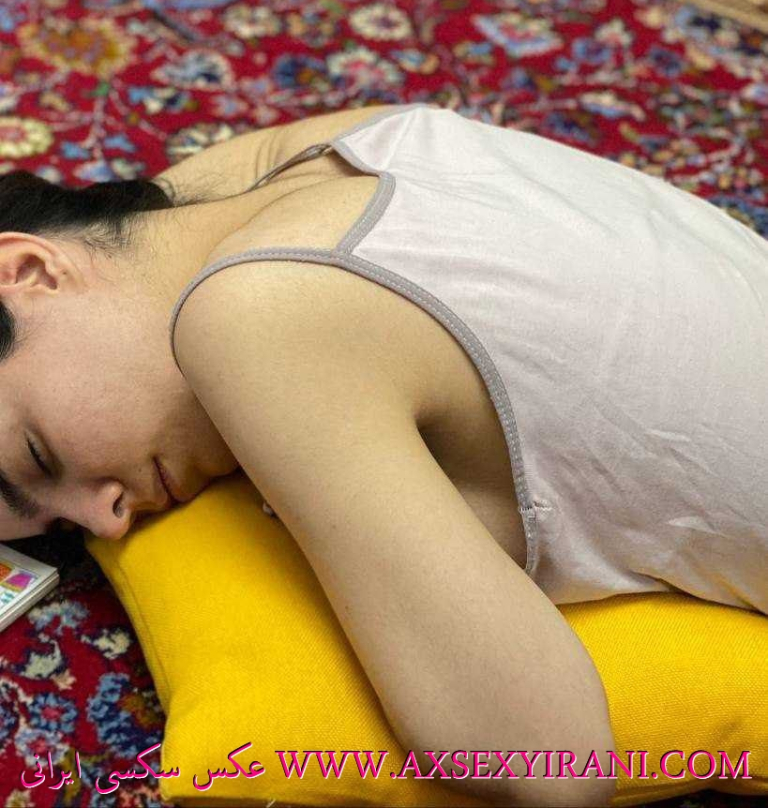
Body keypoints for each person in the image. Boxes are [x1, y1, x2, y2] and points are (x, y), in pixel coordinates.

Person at [1, 99, 765, 806]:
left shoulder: (251, 318)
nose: (107, 522)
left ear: (31, 270)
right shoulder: (324, 153)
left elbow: (551, 765)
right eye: (61, 527)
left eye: (40, 456)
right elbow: (152, 208)